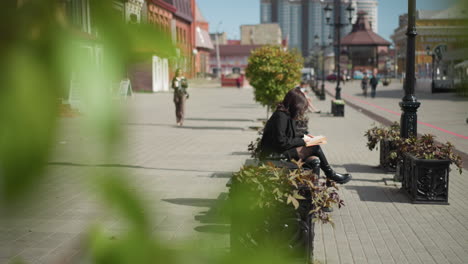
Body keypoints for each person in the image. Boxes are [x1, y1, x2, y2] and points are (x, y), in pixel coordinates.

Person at [259, 89, 352, 184]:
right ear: (295, 105)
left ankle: (327, 176)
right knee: (314, 146)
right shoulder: (280, 116)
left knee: (314, 151)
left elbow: (290, 135)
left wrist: (306, 137)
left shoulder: (286, 114)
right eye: (301, 108)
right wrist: (305, 141)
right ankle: (330, 174)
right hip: (273, 156)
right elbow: (281, 141)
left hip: (280, 151)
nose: (301, 112)